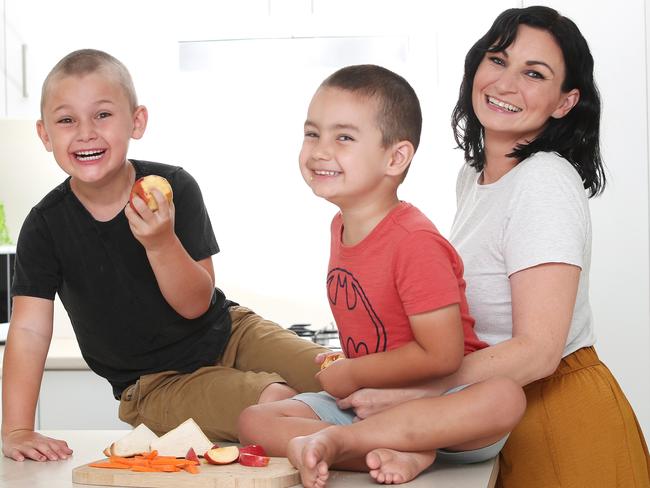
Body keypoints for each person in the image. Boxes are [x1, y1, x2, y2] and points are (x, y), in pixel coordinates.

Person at [293, 6, 650, 488]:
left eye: (534, 73)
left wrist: (418, 392)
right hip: (492, 414)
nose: (506, 84)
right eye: (498, 60)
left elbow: (539, 352)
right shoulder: (475, 178)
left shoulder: (543, 180)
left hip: (556, 417)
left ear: (565, 102)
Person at [1, 48, 328, 462]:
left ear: (136, 122)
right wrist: (16, 429)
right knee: (279, 402)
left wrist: (161, 242)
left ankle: (419, 431)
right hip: (155, 384)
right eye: (66, 120)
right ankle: (386, 445)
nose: (85, 132)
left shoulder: (175, 187)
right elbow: (29, 333)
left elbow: (196, 304)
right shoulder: (45, 226)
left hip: (230, 332)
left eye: (102, 115)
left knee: (337, 374)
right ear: (45, 135)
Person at [237, 64, 526, 486]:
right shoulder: (341, 226)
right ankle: (393, 448)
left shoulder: (414, 241)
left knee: (503, 398)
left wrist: (355, 373)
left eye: (344, 137)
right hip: (370, 404)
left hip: (441, 401)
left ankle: (345, 443)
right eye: (312, 133)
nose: (319, 150)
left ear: (395, 157)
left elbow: (443, 356)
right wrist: (347, 366)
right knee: (254, 421)